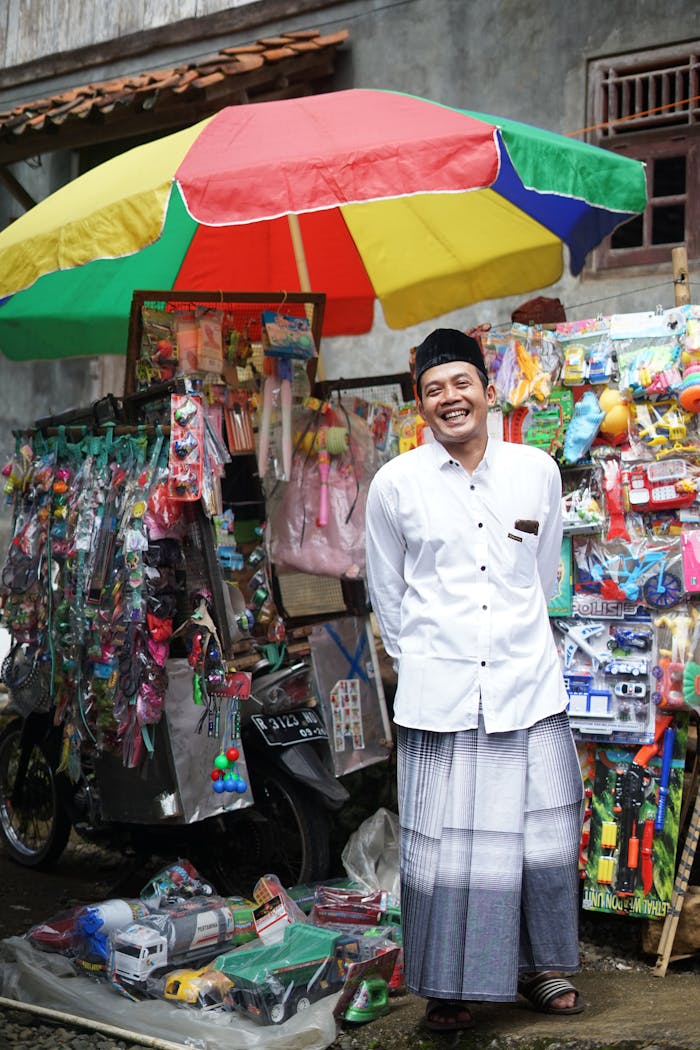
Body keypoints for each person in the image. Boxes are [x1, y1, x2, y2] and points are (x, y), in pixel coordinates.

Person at [365, 328, 584, 1033]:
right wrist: (431, 660)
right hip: (442, 694)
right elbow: (388, 597)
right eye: (433, 390)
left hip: (528, 684)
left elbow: (544, 571)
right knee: (444, 847)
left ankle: (540, 969)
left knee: (537, 836)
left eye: (461, 384)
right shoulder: (395, 485)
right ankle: (449, 989)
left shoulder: (536, 472)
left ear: (490, 393)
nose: (449, 399)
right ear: (421, 407)